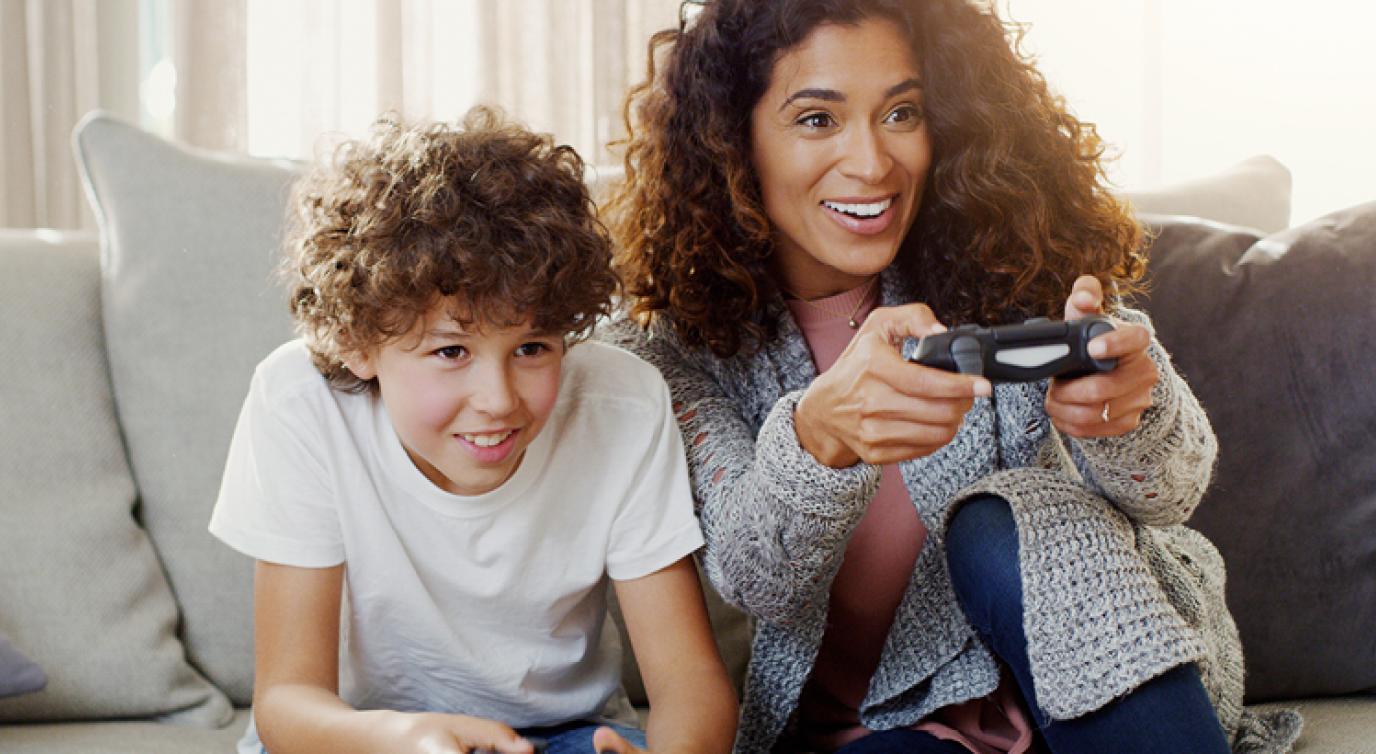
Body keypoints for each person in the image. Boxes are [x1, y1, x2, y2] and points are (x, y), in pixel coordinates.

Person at [600, 1, 1299, 752]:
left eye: (902, 112)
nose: (872, 163)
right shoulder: (672, 353)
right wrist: (816, 442)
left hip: (1098, 683)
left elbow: (1171, 489)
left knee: (1006, 515)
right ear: (734, 143)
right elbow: (757, 581)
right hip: (886, 732)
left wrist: (1131, 411)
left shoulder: (1010, 254)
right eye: (816, 120)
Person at [208, 107, 738, 754]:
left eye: (534, 348)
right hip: (362, 736)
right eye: (451, 352)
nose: (499, 401)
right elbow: (287, 705)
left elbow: (691, 686)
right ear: (358, 342)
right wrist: (408, 738)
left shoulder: (621, 403)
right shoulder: (299, 402)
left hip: (559, 736)